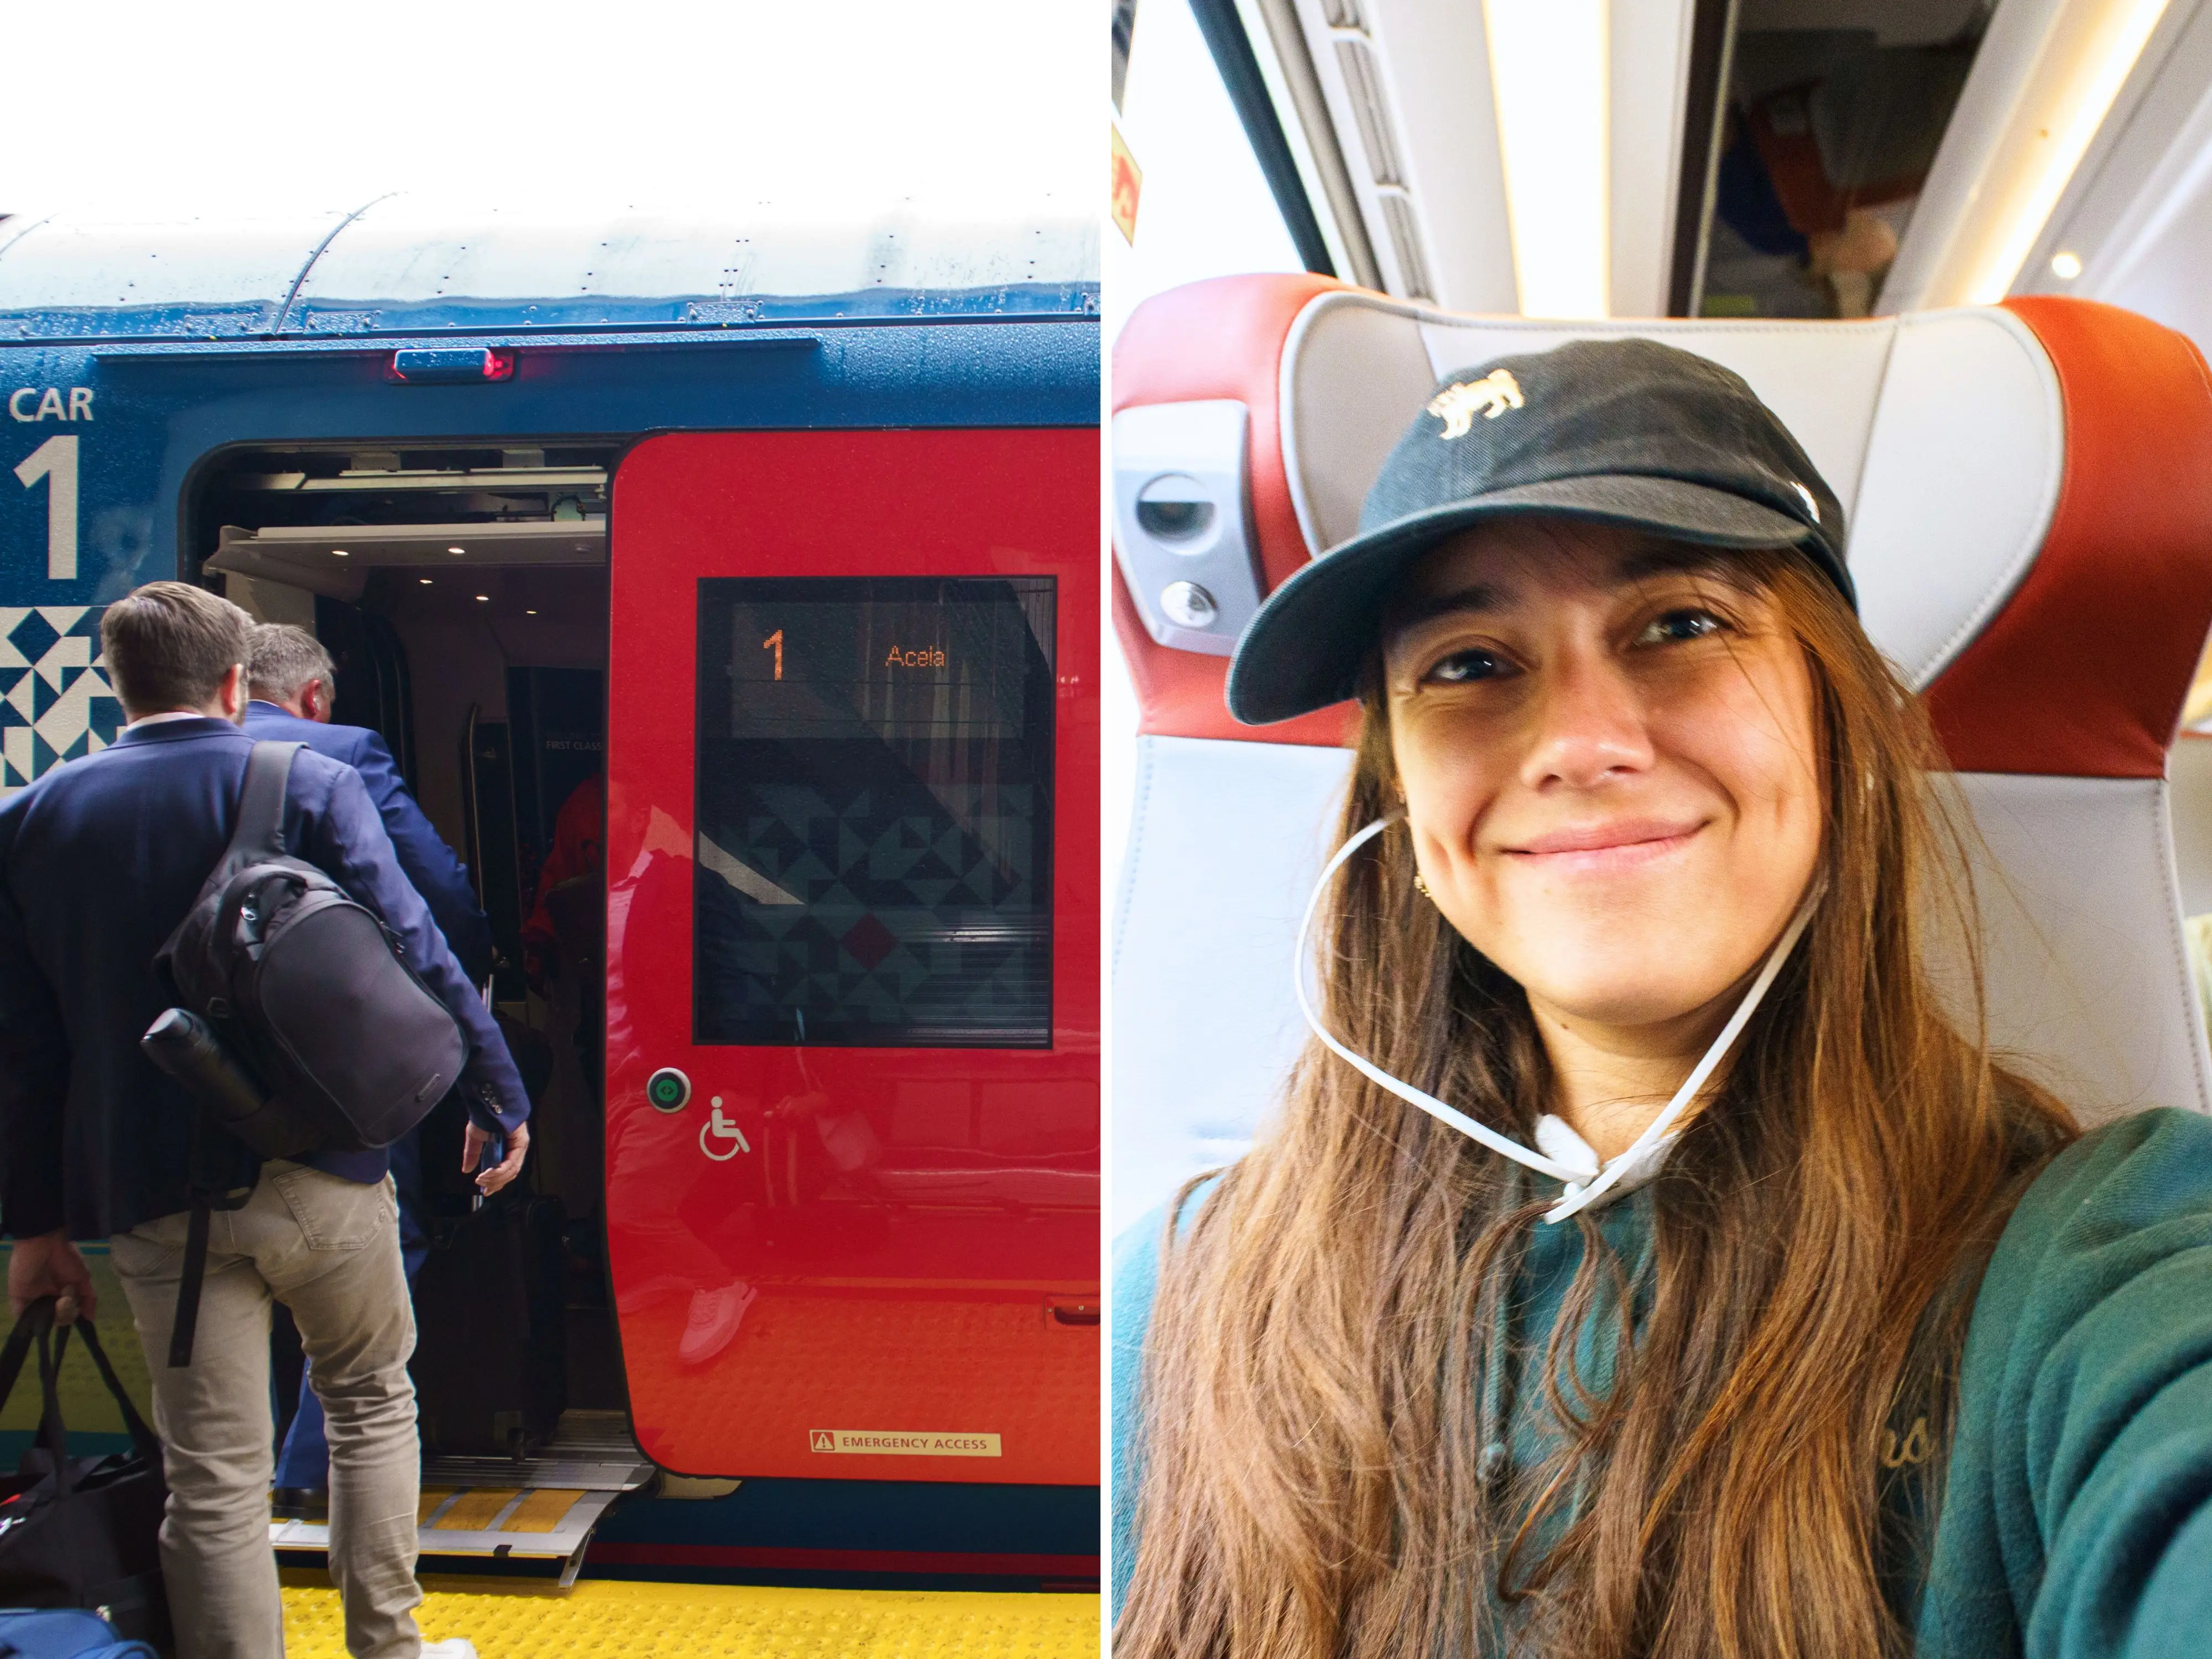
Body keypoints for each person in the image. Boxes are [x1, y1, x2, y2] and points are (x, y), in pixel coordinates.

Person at [1112, 341, 2212, 1658]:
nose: (1581, 743)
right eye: (1467, 662)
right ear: (1398, 798)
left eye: (1681, 625)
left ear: (1831, 718)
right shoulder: (1190, 1296)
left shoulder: (2090, 1265)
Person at [0, 582, 532, 1659]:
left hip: (152, 1203)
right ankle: (387, 1645)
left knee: (210, 1467)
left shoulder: (32, 816)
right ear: (238, 681)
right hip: (325, 1165)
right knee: (371, 1399)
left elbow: (24, 1049)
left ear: (120, 683)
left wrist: (37, 1226)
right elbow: (420, 948)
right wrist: (496, 1093)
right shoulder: (313, 781)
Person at [241, 624, 489, 1511]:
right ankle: (309, 1465)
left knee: (230, 1259)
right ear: (313, 697)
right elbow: (436, 896)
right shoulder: (341, 752)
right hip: (338, 1062)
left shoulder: (147, 770)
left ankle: (251, 1466)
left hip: (197, 1068)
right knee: (391, 1231)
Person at [243, 625, 494, 986]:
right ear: (314, 696)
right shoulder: (348, 749)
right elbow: (424, 870)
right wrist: (472, 957)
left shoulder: (193, 748)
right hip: (319, 988)